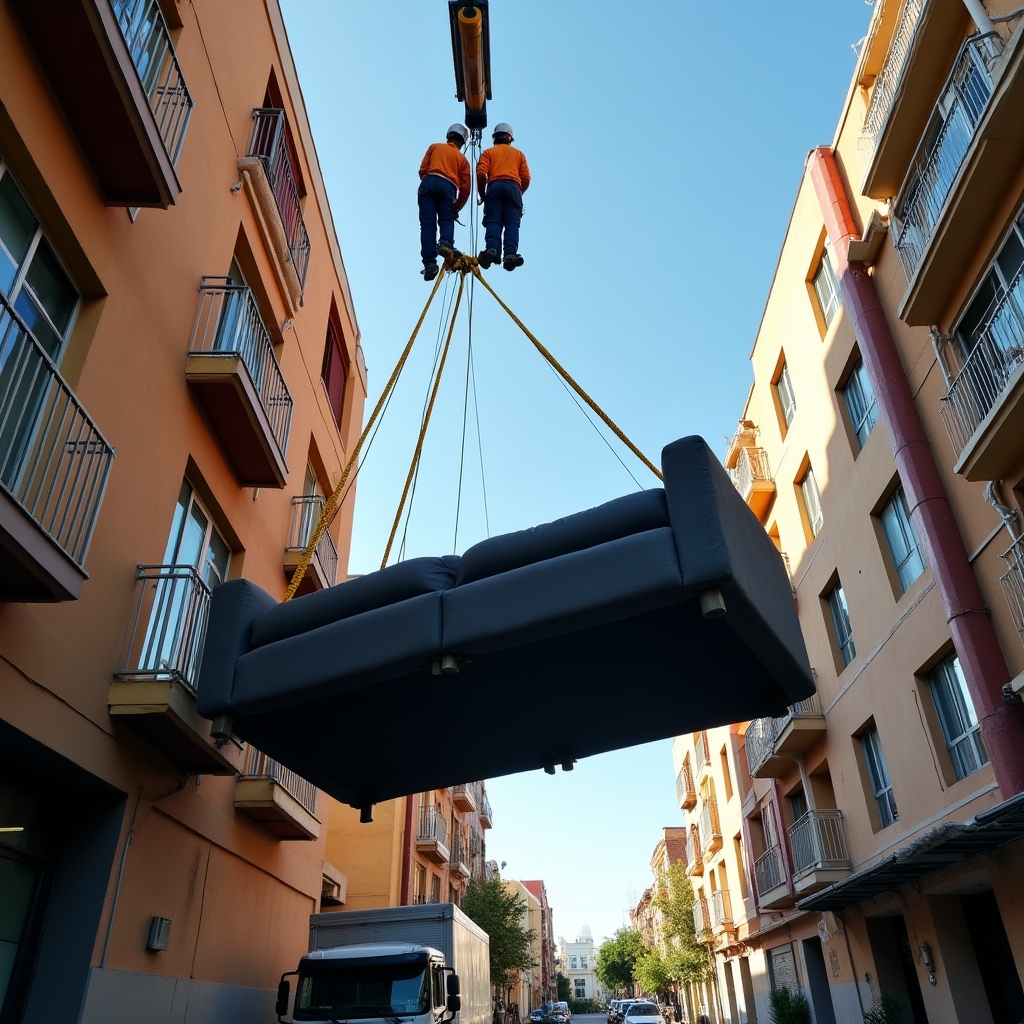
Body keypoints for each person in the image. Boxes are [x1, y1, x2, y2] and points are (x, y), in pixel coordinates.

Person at [418, 124, 471, 281]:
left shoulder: (434, 147)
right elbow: (466, 189)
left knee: (427, 226)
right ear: (462, 142)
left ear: (449, 135)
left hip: (429, 181)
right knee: (446, 220)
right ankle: (446, 244)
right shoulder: (463, 161)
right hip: (448, 187)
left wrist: (431, 181)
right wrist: (456, 208)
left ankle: (429, 265)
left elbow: (422, 170)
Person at [476, 122, 531, 271]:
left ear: (495, 138)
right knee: (512, 223)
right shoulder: (519, 155)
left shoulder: (488, 153)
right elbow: (526, 179)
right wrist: (518, 192)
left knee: (493, 221)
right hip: (513, 188)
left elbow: (481, 174)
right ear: (510, 138)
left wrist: (483, 195)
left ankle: (492, 249)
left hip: (494, 187)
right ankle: (510, 254)